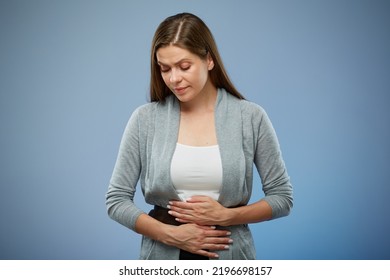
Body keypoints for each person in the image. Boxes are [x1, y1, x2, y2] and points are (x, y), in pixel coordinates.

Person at [106, 12, 293, 260]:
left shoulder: (250, 117)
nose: (174, 79)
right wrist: (168, 234)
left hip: (231, 257)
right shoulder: (145, 120)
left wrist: (227, 216)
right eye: (165, 69)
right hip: (162, 259)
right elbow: (116, 200)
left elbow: (282, 198)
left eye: (184, 67)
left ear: (209, 60)